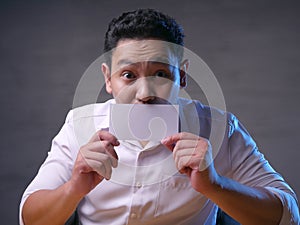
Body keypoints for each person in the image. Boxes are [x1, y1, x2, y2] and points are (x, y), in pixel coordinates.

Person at [20, 8, 299, 225]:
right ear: (108, 79)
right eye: (128, 75)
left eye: (161, 74)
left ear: (183, 76)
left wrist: (215, 186)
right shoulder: (79, 125)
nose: (145, 93)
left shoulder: (219, 129)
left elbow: (288, 217)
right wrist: (73, 189)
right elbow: (29, 218)